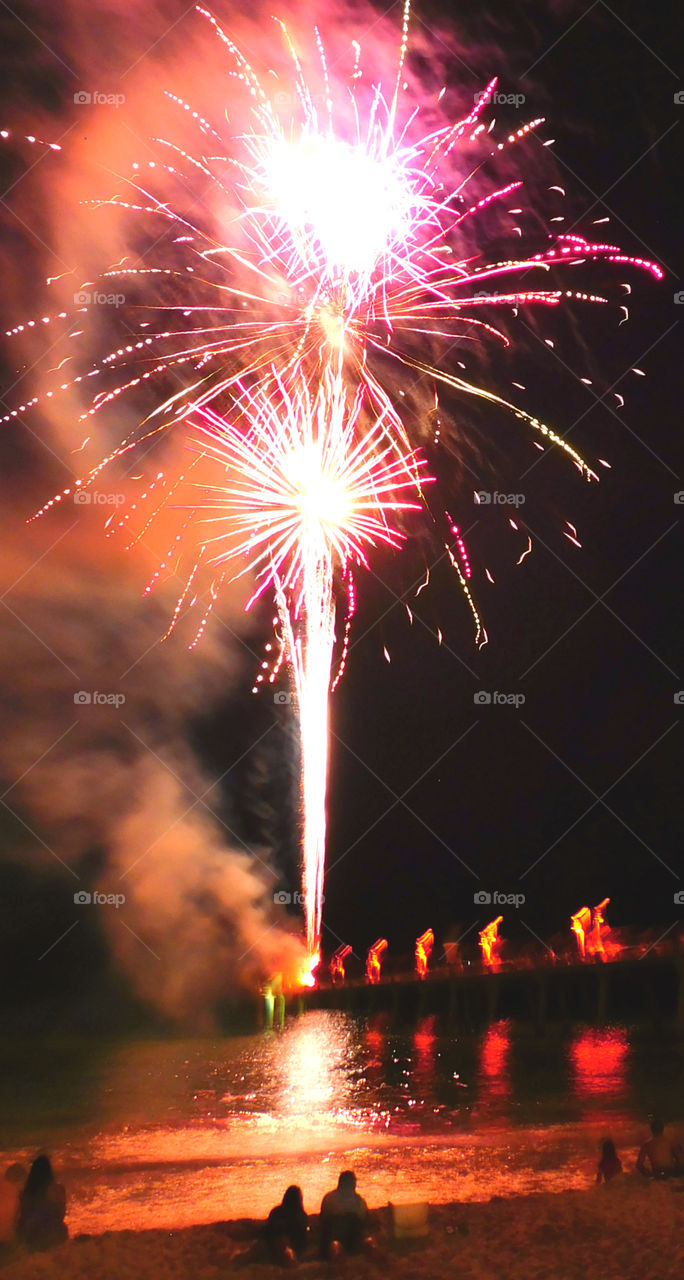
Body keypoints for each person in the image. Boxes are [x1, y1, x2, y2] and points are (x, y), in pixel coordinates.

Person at [16, 1155, 67, 1251]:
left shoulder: (25, 1193)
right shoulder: (57, 1190)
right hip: (54, 1234)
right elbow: (61, 1215)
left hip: (30, 1234)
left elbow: (23, 1215)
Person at [319, 1170, 372, 1259]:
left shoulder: (329, 1198)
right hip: (351, 1242)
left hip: (335, 1241)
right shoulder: (359, 1201)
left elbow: (323, 1221)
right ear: (353, 1184)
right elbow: (364, 1220)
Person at [263, 1185, 309, 1265]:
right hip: (291, 1245)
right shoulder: (301, 1215)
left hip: (272, 1244)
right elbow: (302, 1236)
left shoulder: (276, 1211)